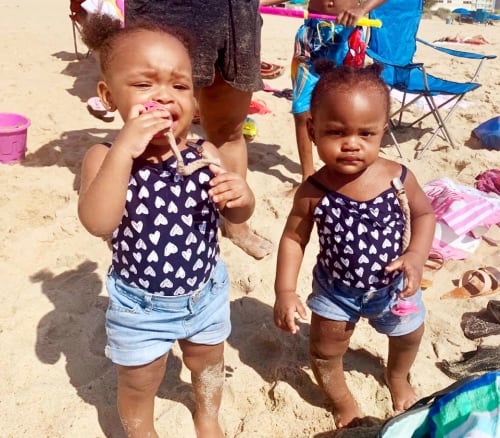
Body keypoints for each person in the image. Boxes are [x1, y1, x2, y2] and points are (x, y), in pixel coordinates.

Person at [78, 15, 256, 437]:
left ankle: (207, 415)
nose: (165, 98)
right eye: (144, 85)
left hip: (206, 293)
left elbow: (236, 217)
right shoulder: (104, 158)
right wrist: (125, 148)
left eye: (179, 86)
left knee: (208, 363)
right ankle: (142, 430)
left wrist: (242, 197)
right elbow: (98, 221)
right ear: (108, 96)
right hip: (140, 308)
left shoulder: (205, 152)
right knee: (139, 380)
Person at [273, 61, 436, 428]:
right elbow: (293, 238)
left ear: (383, 131)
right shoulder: (314, 190)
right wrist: (285, 290)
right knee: (325, 352)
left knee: (409, 337)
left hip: (395, 289)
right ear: (313, 131)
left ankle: (396, 376)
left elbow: (425, 216)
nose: (352, 144)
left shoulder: (397, 178)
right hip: (336, 292)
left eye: (366, 134)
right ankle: (343, 401)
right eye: (336, 132)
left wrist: (415, 256)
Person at [125, 0, 273, 260]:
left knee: (229, 130)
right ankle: (142, 221)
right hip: (164, 10)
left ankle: (234, 225)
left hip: (235, 12)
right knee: (155, 128)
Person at [261, 0, 386, 183]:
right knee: (301, 110)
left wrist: (361, 8)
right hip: (312, 33)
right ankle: (308, 177)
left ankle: (344, 173)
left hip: (347, 32)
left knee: (346, 107)